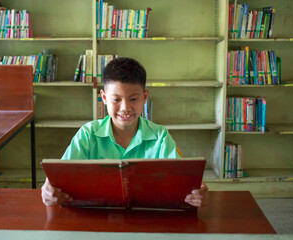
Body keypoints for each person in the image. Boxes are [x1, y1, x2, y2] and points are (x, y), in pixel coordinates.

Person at [41, 57, 209, 207]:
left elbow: (182, 183)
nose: (125, 108)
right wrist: (49, 190)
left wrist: (197, 192)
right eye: (116, 99)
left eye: (134, 99)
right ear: (104, 98)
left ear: (145, 97)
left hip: (146, 218)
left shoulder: (160, 137)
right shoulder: (87, 134)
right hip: (96, 217)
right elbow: (60, 179)